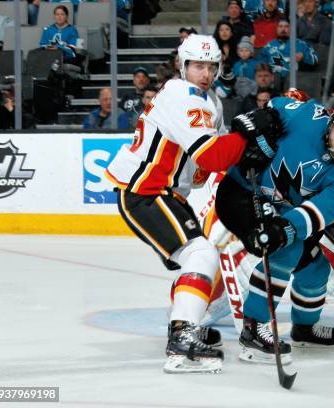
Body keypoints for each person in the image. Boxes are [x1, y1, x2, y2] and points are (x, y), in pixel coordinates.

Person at [105, 34, 283, 374]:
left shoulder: (208, 99)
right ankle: (182, 339)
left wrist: (245, 151)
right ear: (182, 66)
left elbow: (203, 168)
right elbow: (214, 156)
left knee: (198, 260)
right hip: (145, 192)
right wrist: (247, 136)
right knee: (201, 254)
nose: (204, 72)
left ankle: (184, 326)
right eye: (197, 65)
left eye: (210, 66)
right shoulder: (184, 96)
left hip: (166, 193)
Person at [214, 97, 334, 363]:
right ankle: (253, 327)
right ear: (330, 124)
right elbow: (275, 106)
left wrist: (284, 229)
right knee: (288, 250)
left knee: (315, 266)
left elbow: (316, 213)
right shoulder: (308, 116)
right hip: (241, 193)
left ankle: (304, 328)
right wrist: (258, 122)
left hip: (283, 213)